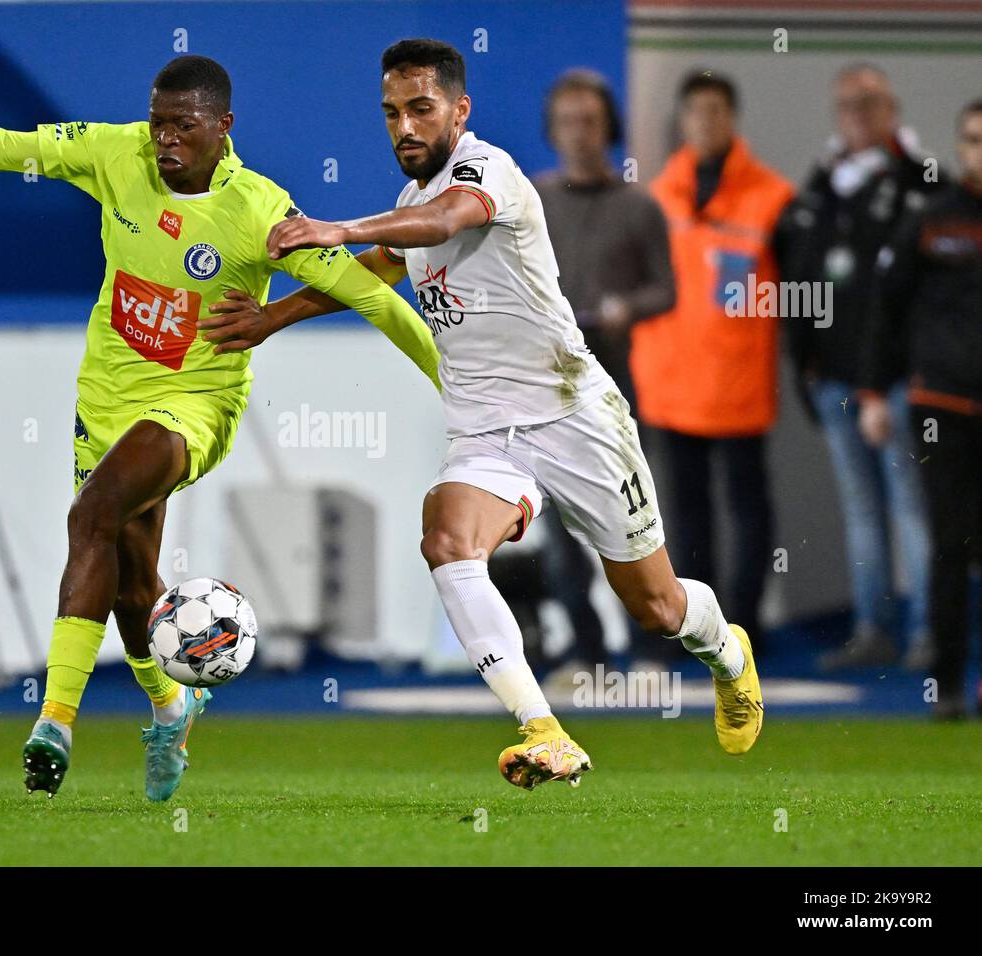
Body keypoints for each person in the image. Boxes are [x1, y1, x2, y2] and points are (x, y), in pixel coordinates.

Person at [0, 55, 441, 801]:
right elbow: (6, 146)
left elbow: (373, 295)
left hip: (193, 402)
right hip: (105, 399)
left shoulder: (260, 211)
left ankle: (54, 722)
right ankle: (171, 705)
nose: (165, 141)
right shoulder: (115, 153)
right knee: (130, 585)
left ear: (224, 127)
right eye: (158, 124)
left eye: (184, 126)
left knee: (90, 515)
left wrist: (456, 386)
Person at [200, 39, 763, 790]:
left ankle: (728, 652)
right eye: (391, 112)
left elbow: (444, 222)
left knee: (656, 607)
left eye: (421, 109)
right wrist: (273, 319)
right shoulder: (406, 208)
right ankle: (545, 729)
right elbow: (374, 275)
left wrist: (336, 227)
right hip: (486, 429)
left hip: (574, 414)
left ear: (459, 112)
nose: (404, 126)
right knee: (446, 542)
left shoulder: (488, 173)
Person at [775, 63, 939, 671]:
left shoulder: (919, 183)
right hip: (834, 381)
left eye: (869, 104)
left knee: (910, 508)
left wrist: (879, 387)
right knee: (862, 513)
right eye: (846, 104)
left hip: (894, 385)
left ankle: (927, 634)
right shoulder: (822, 186)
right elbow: (797, 274)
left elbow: (899, 298)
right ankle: (874, 628)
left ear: (891, 109)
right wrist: (808, 369)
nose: (857, 115)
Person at [631, 71, 793, 658]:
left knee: (749, 516)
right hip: (669, 383)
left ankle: (746, 628)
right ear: (683, 120)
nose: (706, 120)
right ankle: (696, 633)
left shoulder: (771, 197)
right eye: (696, 110)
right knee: (682, 518)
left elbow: (797, 293)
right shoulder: (657, 196)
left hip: (739, 384)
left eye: (717, 110)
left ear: (733, 118)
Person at [532, 68, 675, 678]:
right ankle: (586, 650)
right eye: (567, 122)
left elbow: (667, 290)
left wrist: (626, 308)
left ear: (608, 127)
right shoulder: (531, 199)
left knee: (632, 519)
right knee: (559, 531)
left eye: (589, 121)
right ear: (553, 130)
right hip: (543, 390)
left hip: (615, 388)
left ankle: (650, 648)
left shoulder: (640, 206)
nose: (579, 134)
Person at [862, 99, 982, 718]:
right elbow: (887, 307)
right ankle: (948, 685)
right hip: (944, 404)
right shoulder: (933, 222)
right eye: (972, 139)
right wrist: (876, 393)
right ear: (959, 147)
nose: (979, 150)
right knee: (949, 544)